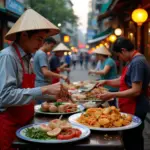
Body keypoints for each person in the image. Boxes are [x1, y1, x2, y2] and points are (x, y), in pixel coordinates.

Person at [0, 9, 61, 150]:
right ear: (24, 35)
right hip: (8, 124)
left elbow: (26, 91)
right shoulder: (8, 57)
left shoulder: (29, 58)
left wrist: (53, 95)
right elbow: (5, 96)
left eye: (43, 40)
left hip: (25, 121)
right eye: (39, 39)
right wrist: (45, 88)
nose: (41, 45)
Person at [97, 37, 150, 150]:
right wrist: (106, 82)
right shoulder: (132, 61)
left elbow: (136, 91)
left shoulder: (137, 62)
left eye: (119, 55)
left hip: (136, 106)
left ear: (123, 50)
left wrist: (112, 95)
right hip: (129, 106)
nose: (120, 58)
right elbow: (123, 81)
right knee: (128, 138)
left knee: (133, 140)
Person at [33, 37, 69, 104]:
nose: (52, 49)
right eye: (51, 46)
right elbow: (45, 72)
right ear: (46, 44)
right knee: (44, 107)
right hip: (42, 84)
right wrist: (61, 76)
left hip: (41, 84)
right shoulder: (41, 54)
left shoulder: (40, 53)